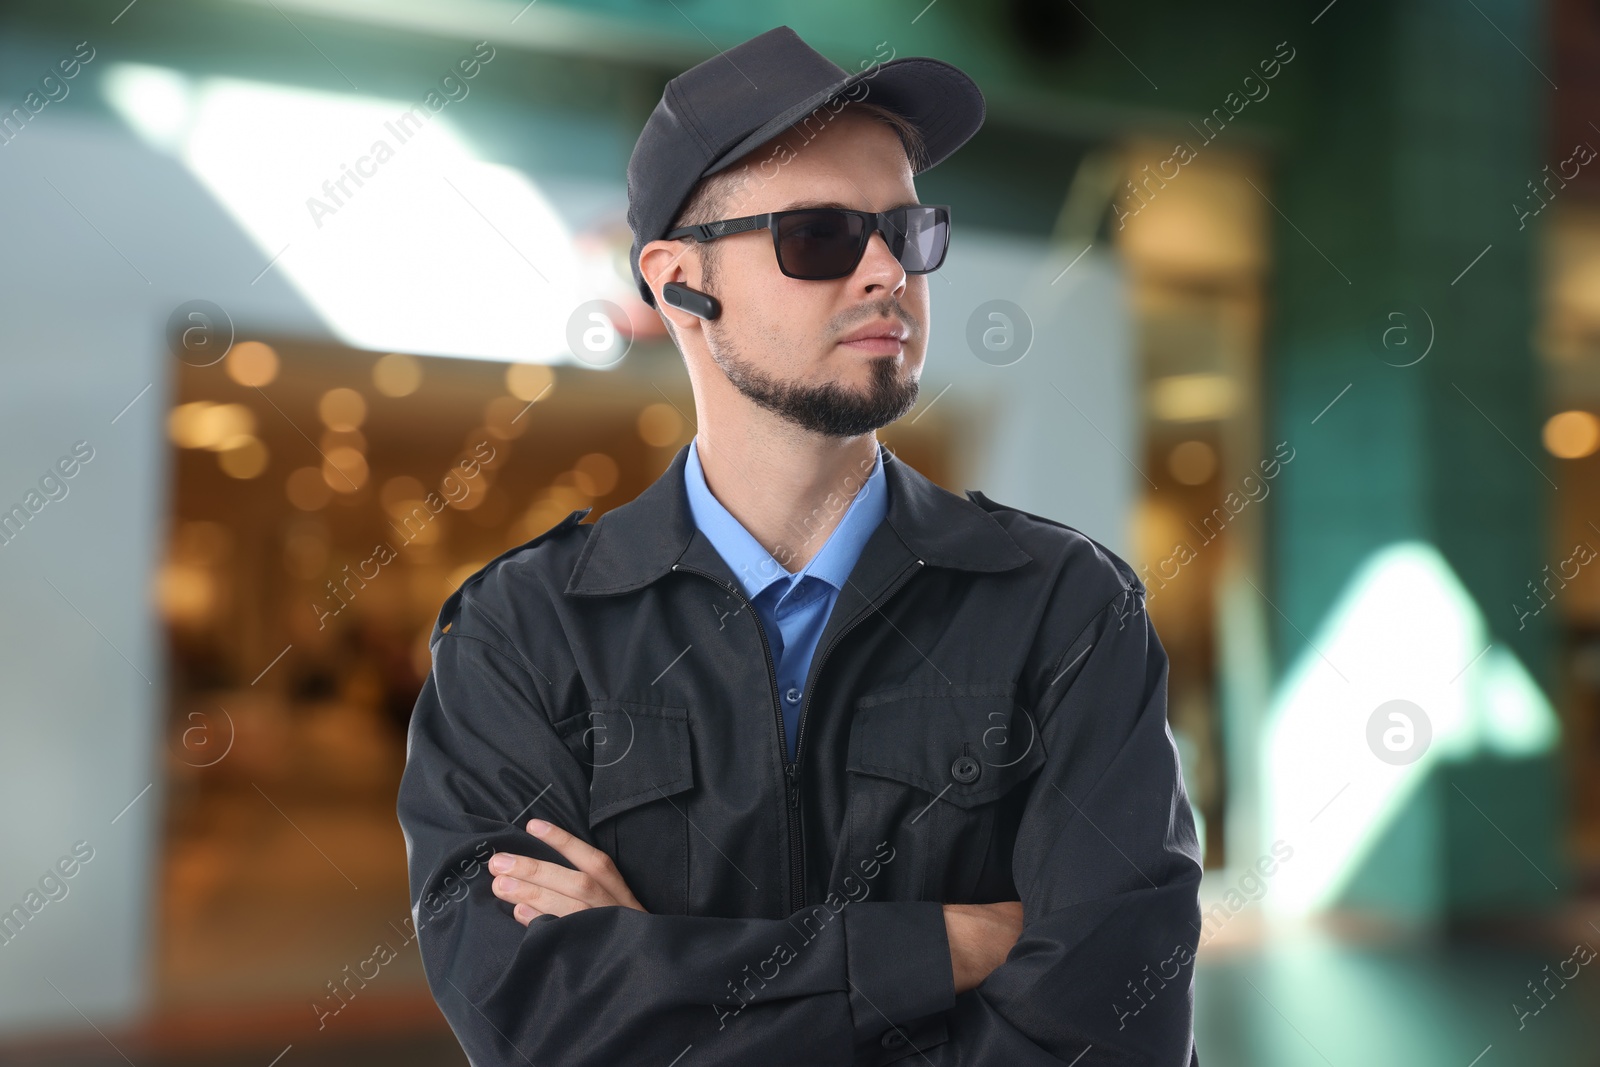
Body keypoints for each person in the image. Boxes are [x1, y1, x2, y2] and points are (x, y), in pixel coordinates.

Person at [396, 24, 1203, 1066]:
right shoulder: (521, 633)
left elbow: (1111, 1026)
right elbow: (539, 1022)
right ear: (678, 280)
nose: (884, 272)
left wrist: (654, 962)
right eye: (819, 235)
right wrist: (938, 947)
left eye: (908, 234)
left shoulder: (1066, 609)